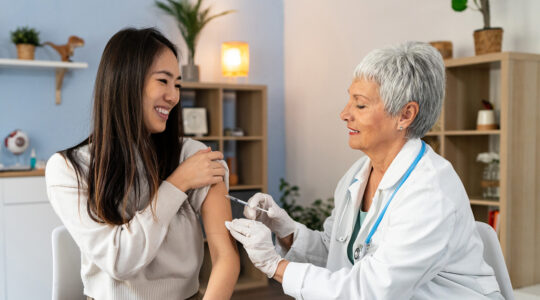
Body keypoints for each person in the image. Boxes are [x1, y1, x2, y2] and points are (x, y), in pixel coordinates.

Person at [226, 41, 504, 299]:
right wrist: (287, 231)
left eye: (360, 104)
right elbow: (339, 252)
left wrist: (275, 265)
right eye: (350, 100)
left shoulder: (430, 194)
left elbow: (370, 291)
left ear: (405, 115)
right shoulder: (359, 174)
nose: (345, 113)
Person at [46, 28, 239, 300]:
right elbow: (120, 261)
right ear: (125, 81)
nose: (174, 96)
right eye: (163, 81)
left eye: (178, 84)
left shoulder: (193, 156)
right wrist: (177, 184)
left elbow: (226, 257)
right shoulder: (69, 168)